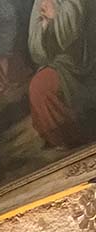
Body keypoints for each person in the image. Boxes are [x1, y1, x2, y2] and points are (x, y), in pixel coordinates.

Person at [28, 0, 96, 148]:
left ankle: (82, 131)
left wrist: (54, 16)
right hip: (62, 62)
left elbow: (73, 29)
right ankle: (66, 137)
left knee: (43, 87)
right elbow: (35, 51)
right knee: (39, 87)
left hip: (85, 58)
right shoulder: (38, 2)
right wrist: (44, 26)